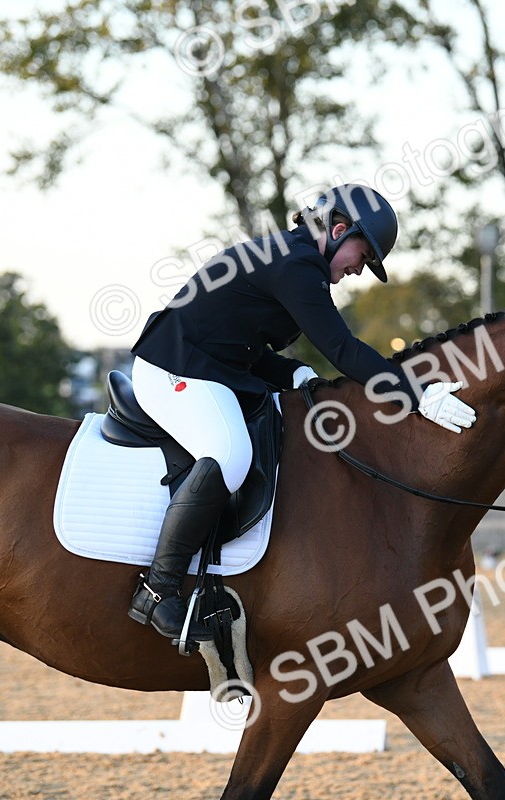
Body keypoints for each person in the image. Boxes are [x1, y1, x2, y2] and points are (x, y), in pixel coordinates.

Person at [126, 183, 477, 645]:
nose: (359, 269)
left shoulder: (292, 256)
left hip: (210, 365)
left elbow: (241, 342)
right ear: (337, 230)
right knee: (229, 454)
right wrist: (416, 394)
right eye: (362, 254)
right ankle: (158, 588)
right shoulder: (297, 265)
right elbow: (342, 348)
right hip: (173, 367)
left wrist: (292, 372)